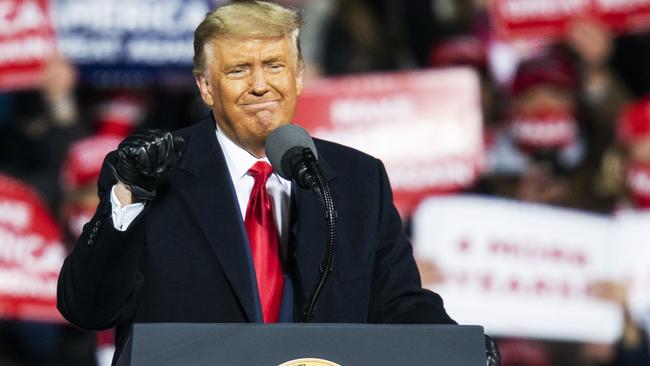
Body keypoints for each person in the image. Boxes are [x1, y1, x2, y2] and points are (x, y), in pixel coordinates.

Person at [57, 0, 457, 363]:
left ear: (299, 75)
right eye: (239, 70)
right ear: (205, 87)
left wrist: (461, 349)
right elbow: (88, 307)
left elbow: (398, 303)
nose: (261, 84)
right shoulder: (153, 172)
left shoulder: (358, 180)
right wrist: (129, 202)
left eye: (275, 65)